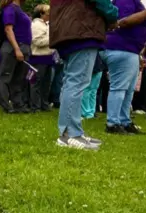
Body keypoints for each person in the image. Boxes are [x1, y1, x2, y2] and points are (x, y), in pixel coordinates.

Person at [50, 0, 117, 150]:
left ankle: (72, 131)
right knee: (77, 82)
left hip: (69, 29)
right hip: (82, 29)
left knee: (70, 82)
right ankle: (70, 134)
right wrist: (113, 14)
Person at [101, 0, 146, 135]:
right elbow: (123, 22)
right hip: (121, 47)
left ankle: (124, 121)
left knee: (128, 90)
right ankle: (113, 123)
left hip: (129, 49)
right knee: (119, 87)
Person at [0, 0, 32, 114]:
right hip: (13, 47)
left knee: (19, 78)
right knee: (5, 77)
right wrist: (16, 49)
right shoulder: (10, 8)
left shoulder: (19, 9)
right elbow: (8, 29)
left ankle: (18, 104)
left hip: (23, 47)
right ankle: (5, 105)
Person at [29, 4, 53, 113]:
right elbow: (37, 41)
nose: (49, 15)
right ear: (41, 14)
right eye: (48, 13)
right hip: (38, 58)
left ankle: (44, 104)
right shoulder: (36, 25)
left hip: (48, 57)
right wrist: (52, 38)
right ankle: (35, 106)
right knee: (36, 83)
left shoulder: (46, 25)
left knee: (46, 84)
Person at [81, 53, 103, 119]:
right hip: (96, 65)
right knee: (89, 90)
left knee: (91, 90)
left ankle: (89, 112)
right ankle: (87, 113)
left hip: (97, 65)